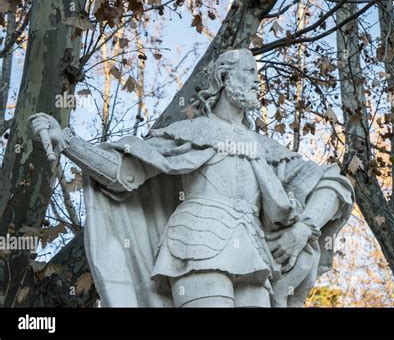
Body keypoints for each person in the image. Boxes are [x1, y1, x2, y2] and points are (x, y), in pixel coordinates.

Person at [29, 48, 354, 307]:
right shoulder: (188, 133)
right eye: (250, 72)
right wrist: (69, 141)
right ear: (225, 77)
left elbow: (334, 182)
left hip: (255, 253)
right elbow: (123, 172)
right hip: (197, 244)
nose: (258, 81)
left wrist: (303, 229)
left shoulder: (268, 149)